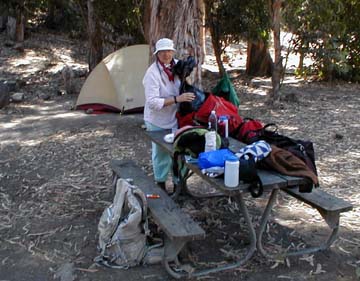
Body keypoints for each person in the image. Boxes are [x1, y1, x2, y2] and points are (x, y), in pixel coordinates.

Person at [143, 38, 195, 190]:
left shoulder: (178, 66)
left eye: (169, 51)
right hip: (157, 120)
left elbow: (186, 83)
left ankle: (181, 185)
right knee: (161, 153)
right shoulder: (152, 73)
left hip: (176, 117)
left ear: (173, 51)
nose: (166, 54)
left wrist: (188, 74)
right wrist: (176, 99)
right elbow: (152, 102)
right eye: (162, 52)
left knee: (181, 150)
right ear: (157, 54)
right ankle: (161, 185)